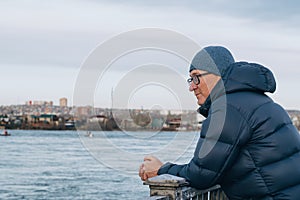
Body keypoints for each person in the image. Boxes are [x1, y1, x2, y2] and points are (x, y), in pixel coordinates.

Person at [139, 46, 300, 199]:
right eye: (190, 80)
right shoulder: (260, 102)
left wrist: (161, 169)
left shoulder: (227, 109)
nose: (192, 87)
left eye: (196, 77)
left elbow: (201, 175)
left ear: (217, 75)